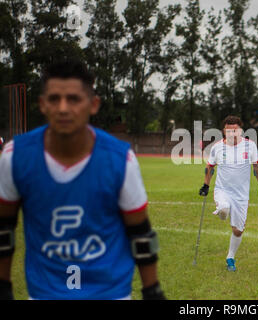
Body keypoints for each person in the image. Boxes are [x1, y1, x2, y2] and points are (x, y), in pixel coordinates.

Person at [0, 59, 164, 300]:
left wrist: (153, 291)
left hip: (110, 293)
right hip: (45, 294)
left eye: (74, 99)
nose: (64, 108)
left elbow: (140, 233)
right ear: (42, 104)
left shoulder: (120, 160)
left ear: (93, 104)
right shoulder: (15, 156)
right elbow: (4, 229)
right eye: (55, 99)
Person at [198, 116, 258, 272]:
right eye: (229, 130)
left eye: (235, 130)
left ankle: (230, 257)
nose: (232, 133)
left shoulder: (250, 146)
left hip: (241, 195)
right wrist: (205, 185)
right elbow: (210, 167)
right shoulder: (217, 147)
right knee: (224, 207)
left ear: (240, 130)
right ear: (224, 131)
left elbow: (257, 166)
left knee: (238, 230)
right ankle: (223, 210)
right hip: (222, 189)